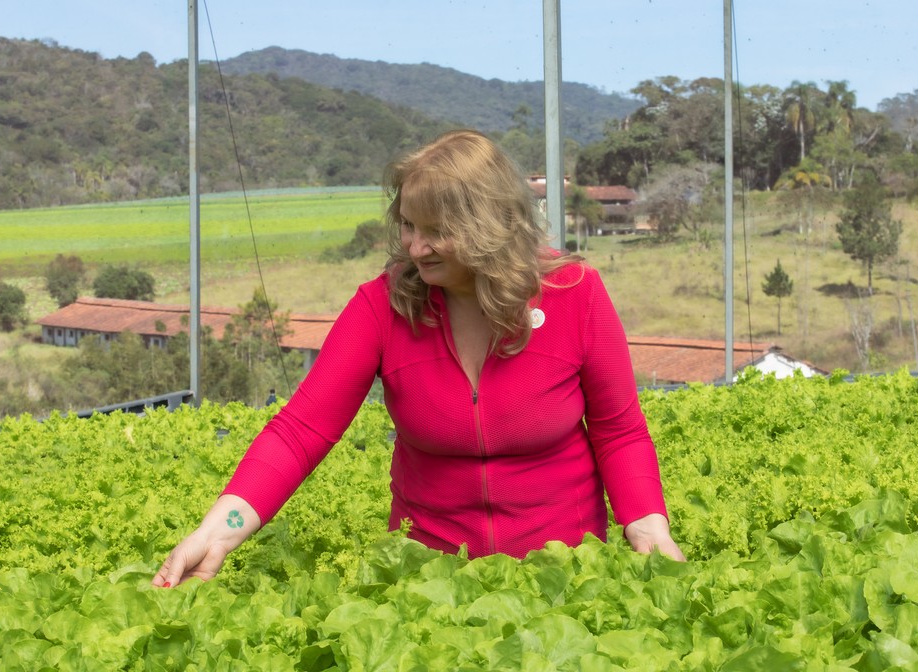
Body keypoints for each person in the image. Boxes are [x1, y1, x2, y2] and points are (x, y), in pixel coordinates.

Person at [152, 129, 684, 588]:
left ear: (491, 226)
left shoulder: (576, 293)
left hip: (562, 572)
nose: (415, 247)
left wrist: (647, 527)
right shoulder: (381, 308)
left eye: (437, 232)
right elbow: (301, 429)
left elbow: (619, 430)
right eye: (408, 225)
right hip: (430, 582)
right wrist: (218, 530)